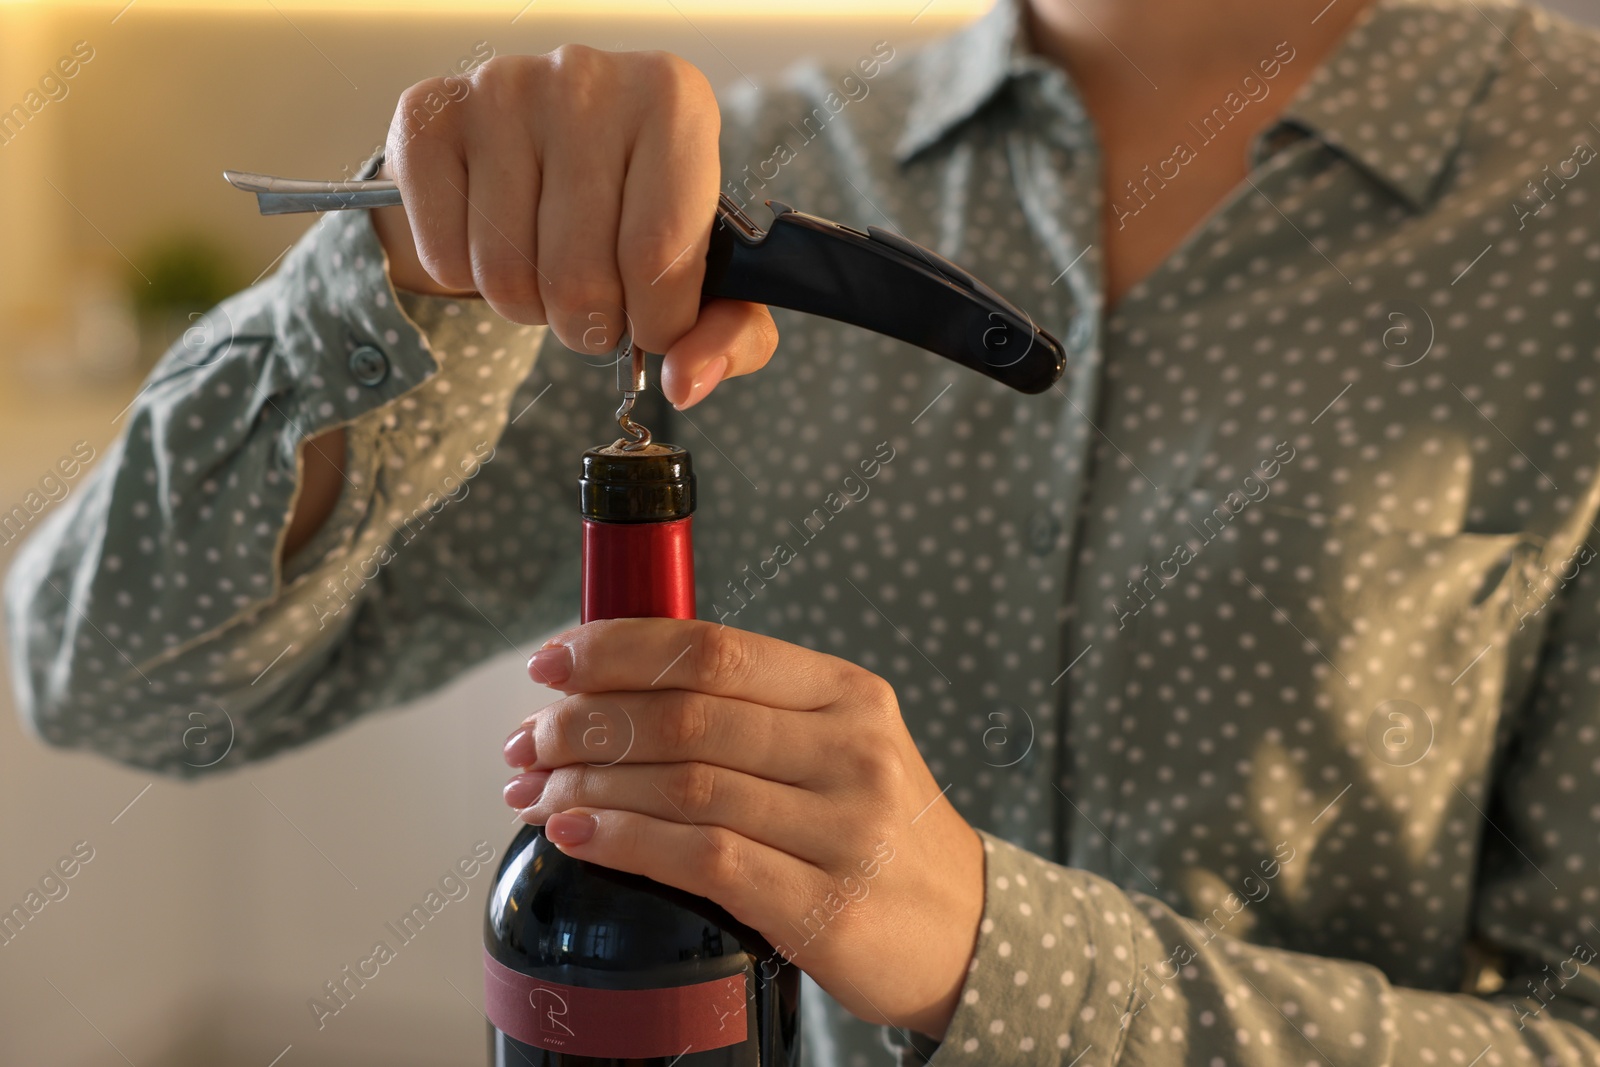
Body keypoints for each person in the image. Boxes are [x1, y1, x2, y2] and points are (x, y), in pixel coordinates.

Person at [7, 0, 1600, 1060]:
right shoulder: (696, 204)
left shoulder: (1571, 206)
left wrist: (994, 945)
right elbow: (119, 680)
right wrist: (400, 275)